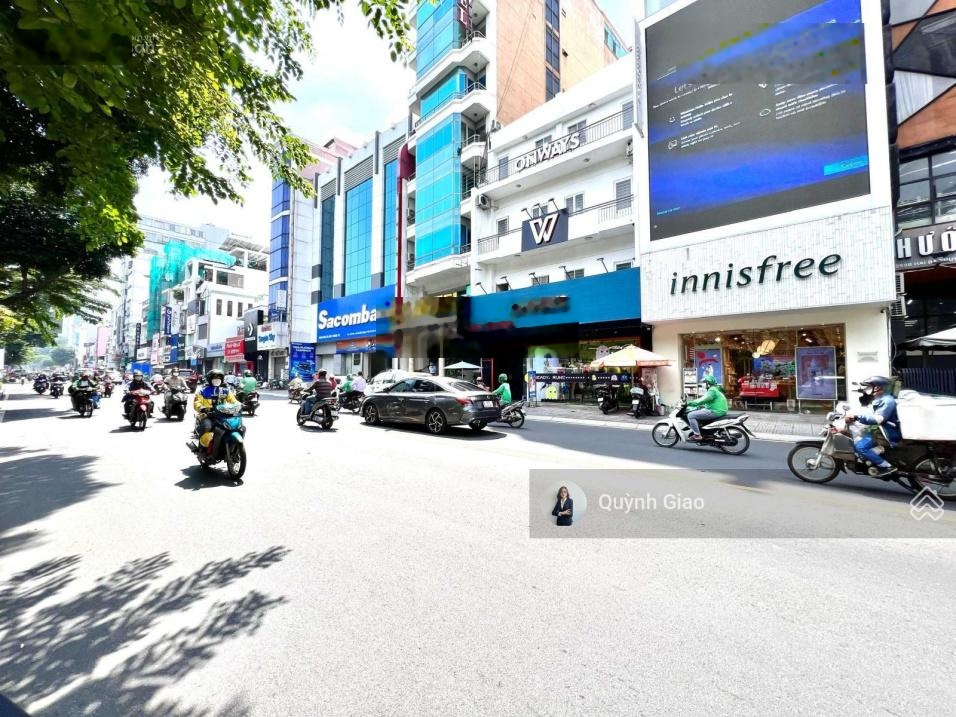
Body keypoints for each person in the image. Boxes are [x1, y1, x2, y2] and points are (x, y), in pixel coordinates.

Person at [845, 376, 901, 477]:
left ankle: (886, 466)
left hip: (889, 432)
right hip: (884, 429)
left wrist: (857, 417)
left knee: (860, 447)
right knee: (860, 440)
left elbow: (878, 418)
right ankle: (874, 458)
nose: (868, 389)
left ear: (878, 388)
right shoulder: (883, 399)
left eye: (870, 387)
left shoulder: (887, 401)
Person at [189, 369, 239, 454]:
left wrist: (239, 405)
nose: (217, 380)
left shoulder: (225, 391)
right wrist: (202, 408)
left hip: (223, 415)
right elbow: (196, 403)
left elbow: (234, 401)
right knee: (207, 427)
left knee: (237, 426)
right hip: (207, 415)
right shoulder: (202, 391)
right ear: (210, 379)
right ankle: (200, 449)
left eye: (219, 378)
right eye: (215, 378)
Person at [686, 374, 727, 441]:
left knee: (690, 415)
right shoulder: (716, 389)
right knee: (700, 411)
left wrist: (691, 403)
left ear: (708, 383)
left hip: (715, 411)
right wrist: (701, 405)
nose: (703, 384)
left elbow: (703, 400)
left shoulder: (712, 390)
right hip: (719, 410)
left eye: (704, 382)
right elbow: (709, 401)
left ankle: (697, 435)